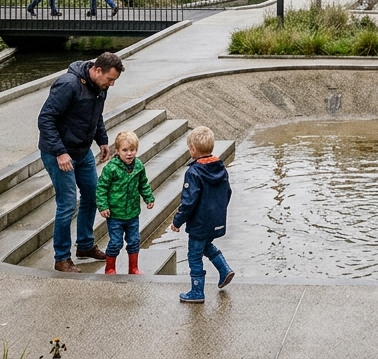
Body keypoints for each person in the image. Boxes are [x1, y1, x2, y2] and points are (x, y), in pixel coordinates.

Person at [37, 51, 124, 272]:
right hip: (59, 153)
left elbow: (97, 115)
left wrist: (103, 140)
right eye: (110, 79)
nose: (111, 84)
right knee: (67, 203)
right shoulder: (68, 84)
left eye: (114, 80)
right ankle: (62, 258)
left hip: (82, 151)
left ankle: (85, 245)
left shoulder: (99, 88)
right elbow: (45, 118)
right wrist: (60, 152)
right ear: (97, 70)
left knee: (94, 195)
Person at [169, 125, 234, 303]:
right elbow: (228, 193)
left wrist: (177, 221)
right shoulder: (221, 169)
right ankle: (224, 269)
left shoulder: (194, 172)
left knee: (194, 255)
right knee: (205, 246)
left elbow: (188, 202)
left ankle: (197, 291)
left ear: (192, 149)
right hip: (216, 220)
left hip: (199, 223)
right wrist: (218, 212)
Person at [97, 130, 155, 275]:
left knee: (134, 241)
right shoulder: (111, 168)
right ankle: (110, 267)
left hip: (132, 213)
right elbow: (101, 188)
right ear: (117, 151)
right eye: (125, 150)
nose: (129, 153)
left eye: (132, 150)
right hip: (115, 214)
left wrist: (148, 197)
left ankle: (133, 267)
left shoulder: (138, 166)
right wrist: (103, 206)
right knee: (116, 242)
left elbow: (143, 183)